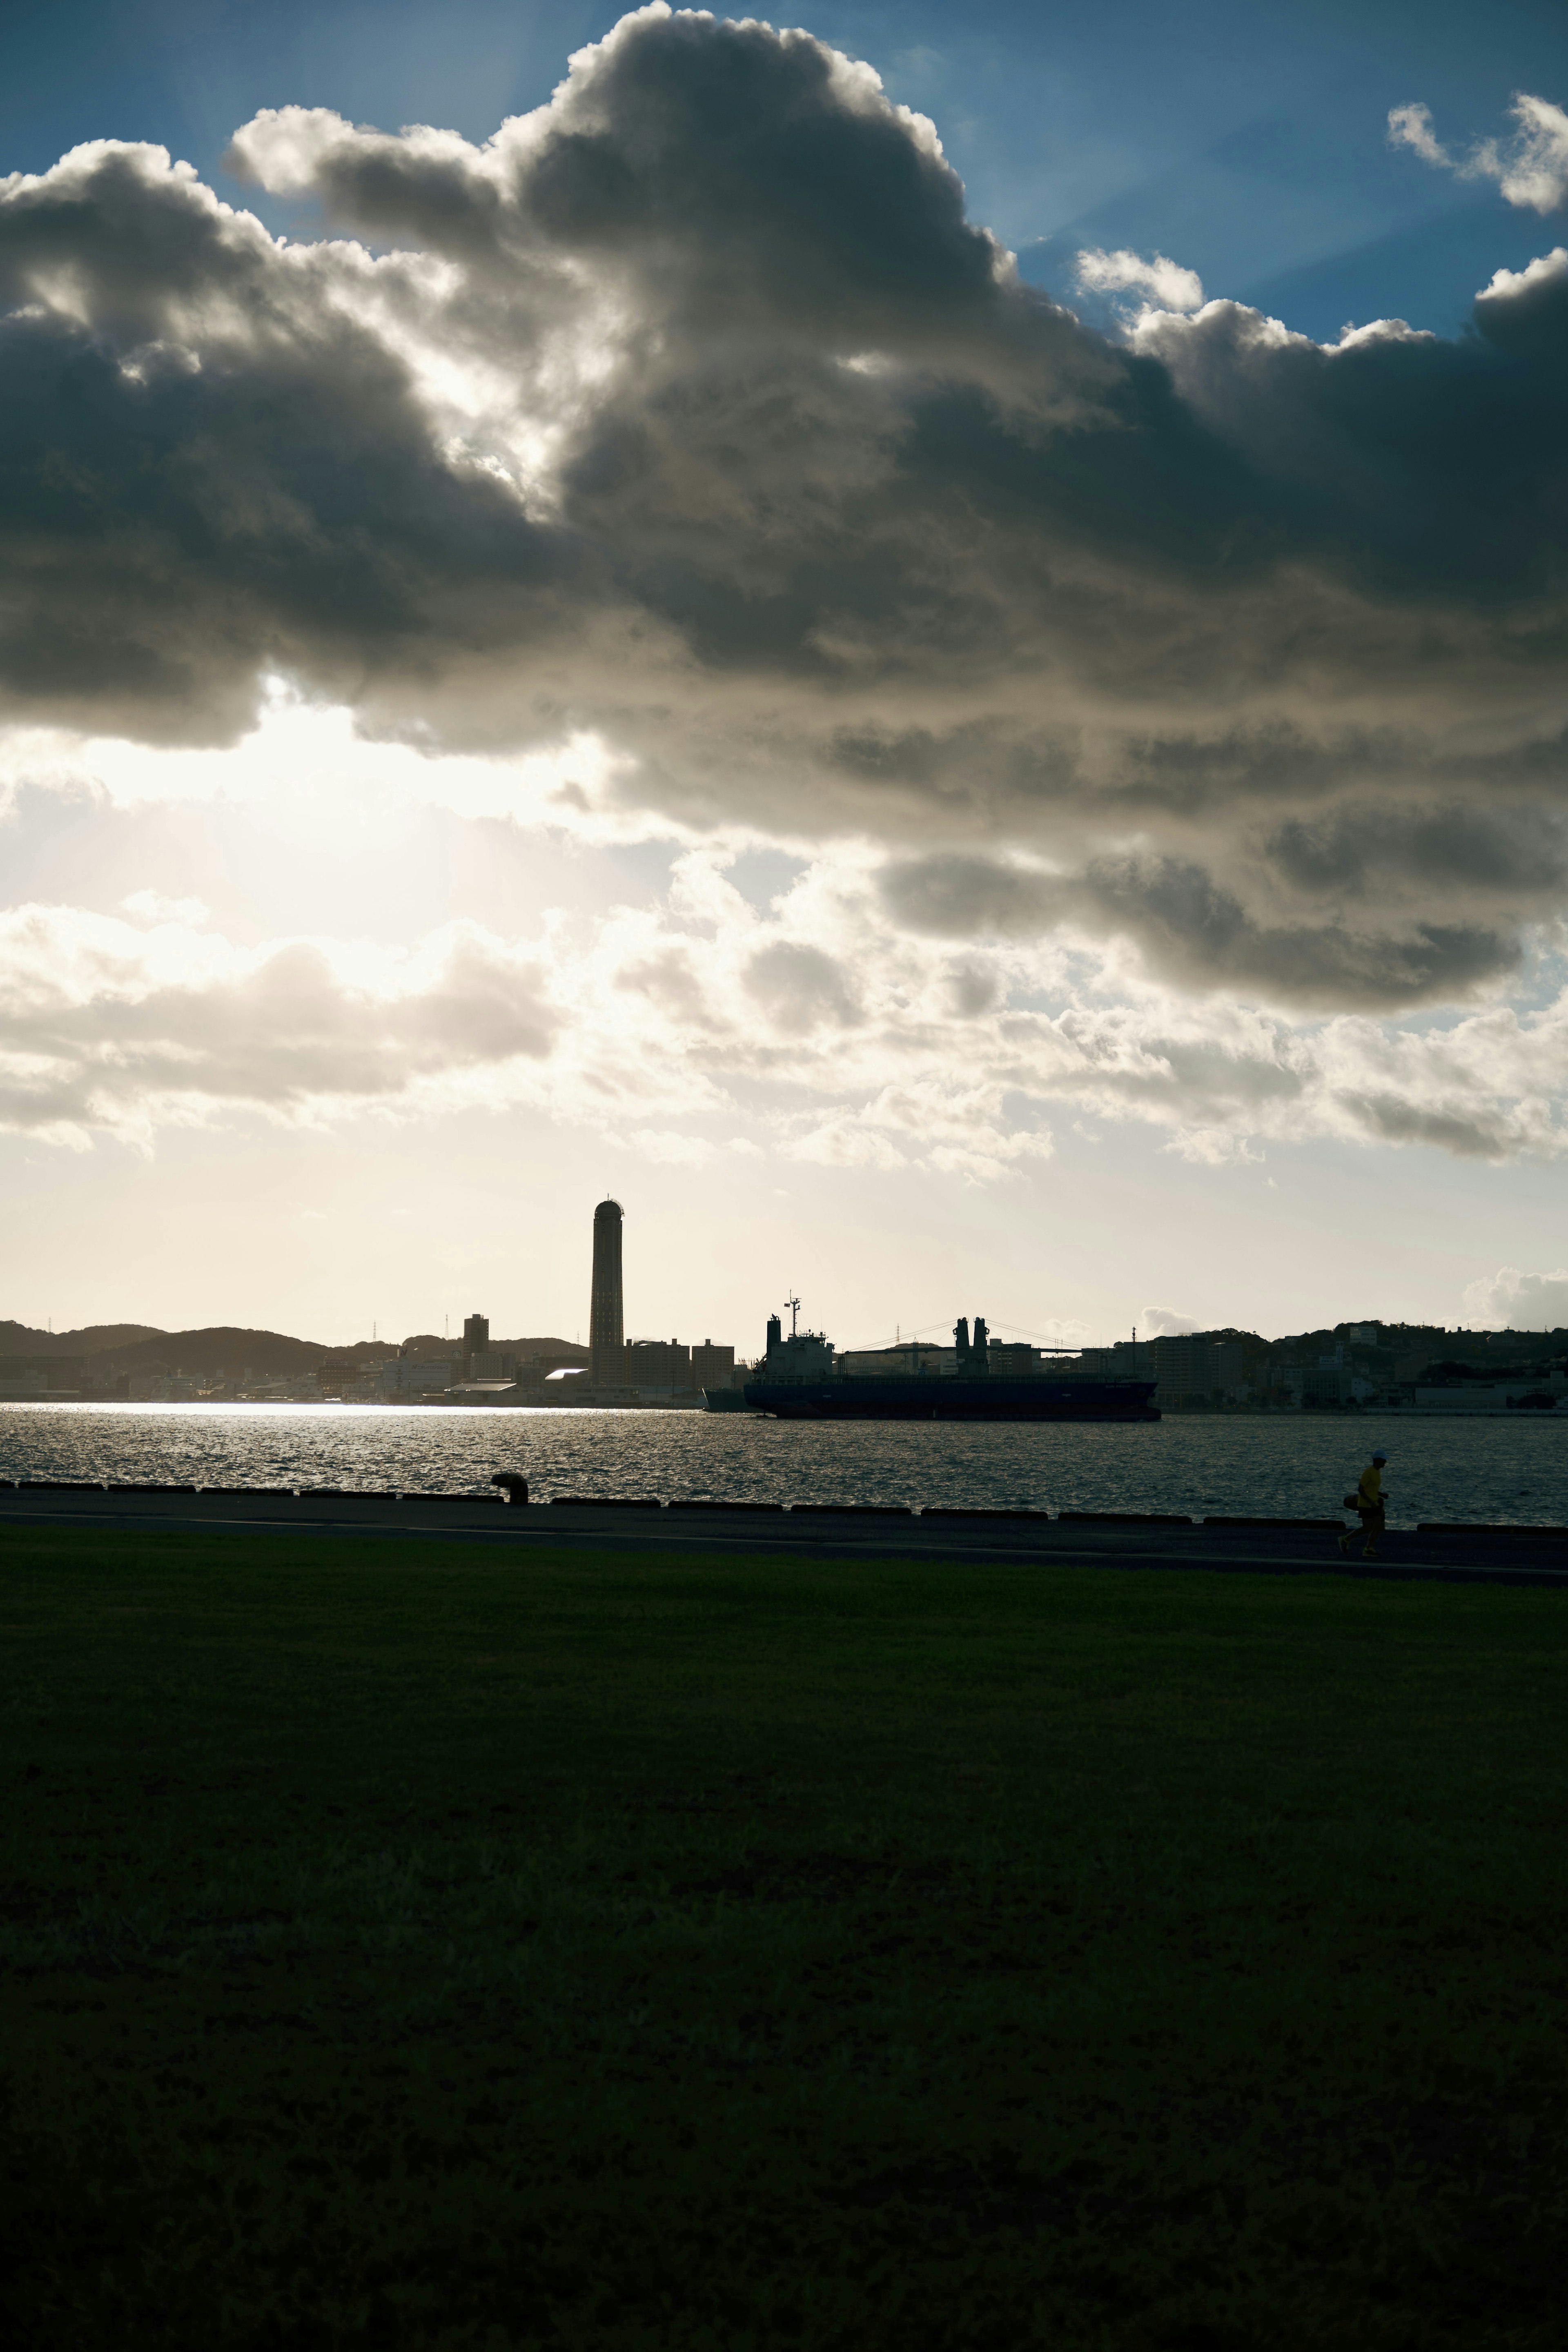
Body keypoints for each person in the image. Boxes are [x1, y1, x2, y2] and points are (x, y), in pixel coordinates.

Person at [1339, 1450, 1388, 1558]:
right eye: (1384, 1460)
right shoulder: (1369, 1472)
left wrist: (1381, 1494)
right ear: (1378, 1460)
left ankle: (1368, 1549)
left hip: (1374, 1504)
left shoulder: (1377, 1472)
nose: (1385, 1462)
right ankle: (1346, 1539)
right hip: (1366, 1505)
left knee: (1378, 1527)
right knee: (1367, 1528)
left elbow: (1371, 1489)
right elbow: (1361, 1489)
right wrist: (1370, 1501)